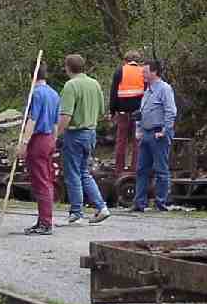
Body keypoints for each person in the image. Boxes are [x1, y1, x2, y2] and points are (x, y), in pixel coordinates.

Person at [56, 54, 111, 225]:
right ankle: (101, 207)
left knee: (72, 174)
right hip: (91, 133)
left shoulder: (71, 85)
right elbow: (102, 111)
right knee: (83, 172)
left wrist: (55, 134)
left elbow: (66, 115)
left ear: (67, 67)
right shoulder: (94, 84)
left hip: (75, 134)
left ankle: (76, 213)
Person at [16, 62, 60, 235]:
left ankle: (46, 223)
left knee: (41, 181)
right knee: (46, 179)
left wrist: (24, 143)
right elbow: (56, 122)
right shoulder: (54, 94)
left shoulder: (36, 94)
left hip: (39, 139)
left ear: (31, 76)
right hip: (49, 138)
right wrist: (54, 141)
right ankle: (43, 220)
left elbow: (32, 120)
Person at [132, 59, 177, 212]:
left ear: (154, 72)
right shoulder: (147, 90)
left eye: (145, 72)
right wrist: (138, 129)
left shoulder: (165, 89)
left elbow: (171, 110)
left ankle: (161, 202)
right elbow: (142, 111)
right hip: (146, 134)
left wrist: (165, 130)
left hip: (158, 134)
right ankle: (139, 203)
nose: (143, 75)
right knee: (141, 169)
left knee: (161, 169)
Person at [108, 50, 145, 176]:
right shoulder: (143, 72)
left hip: (122, 111)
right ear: (138, 61)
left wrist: (112, 111)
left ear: (125, 60)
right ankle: (136, 169)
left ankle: (119, 169)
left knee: (121, 141)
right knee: (137, 141)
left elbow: (113, 93)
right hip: (138, 112)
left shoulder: (119, 71)